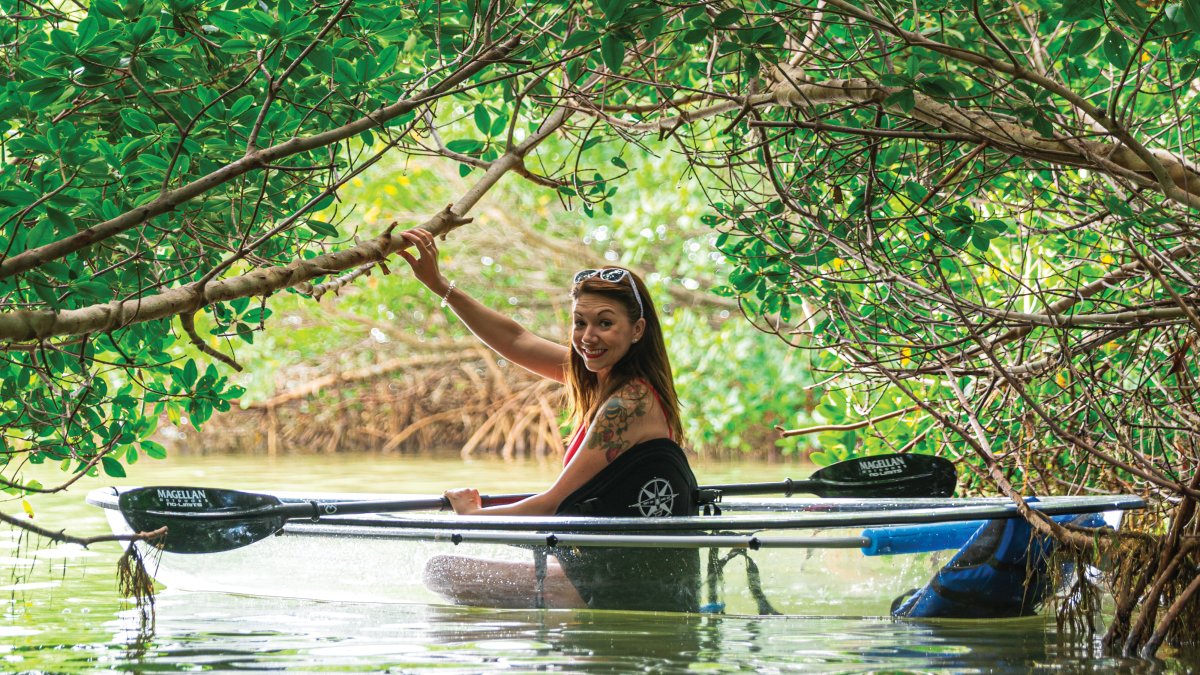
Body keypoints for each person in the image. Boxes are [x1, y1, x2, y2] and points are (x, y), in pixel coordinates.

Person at [395, 227, 700, 611]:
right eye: (580, 322)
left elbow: (551, 506)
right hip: (603, 573)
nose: (588, 336)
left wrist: (473, 517)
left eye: (605, 323)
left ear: (637, 329)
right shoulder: (599, 379)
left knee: (442, 571)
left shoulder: (631, 402)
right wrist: (440, 287)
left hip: (610, 589)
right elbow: (515, 339)